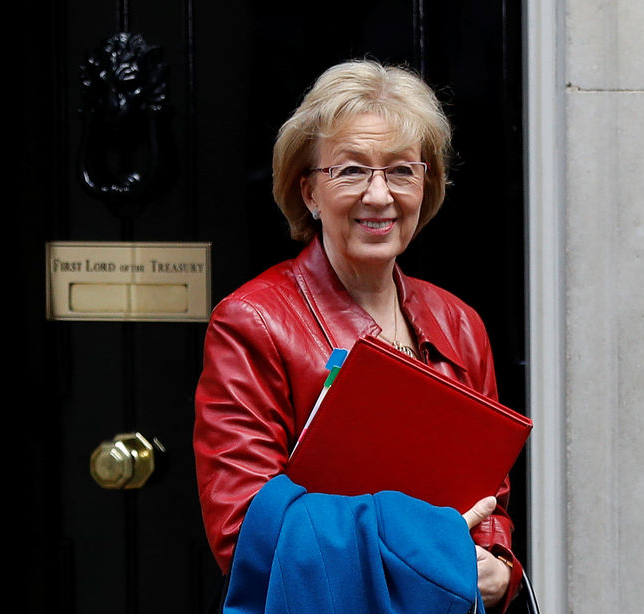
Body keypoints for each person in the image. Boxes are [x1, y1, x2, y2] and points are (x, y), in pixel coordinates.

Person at [194, 59, 523, 612]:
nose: (378, 196)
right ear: (309, 193)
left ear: (427, 186)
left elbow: (491, 500)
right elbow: (241, 527)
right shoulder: (252, 321)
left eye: (400, 171)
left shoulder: (460, 324)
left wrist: (498, 570)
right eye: (350, 171)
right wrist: (438, 554)